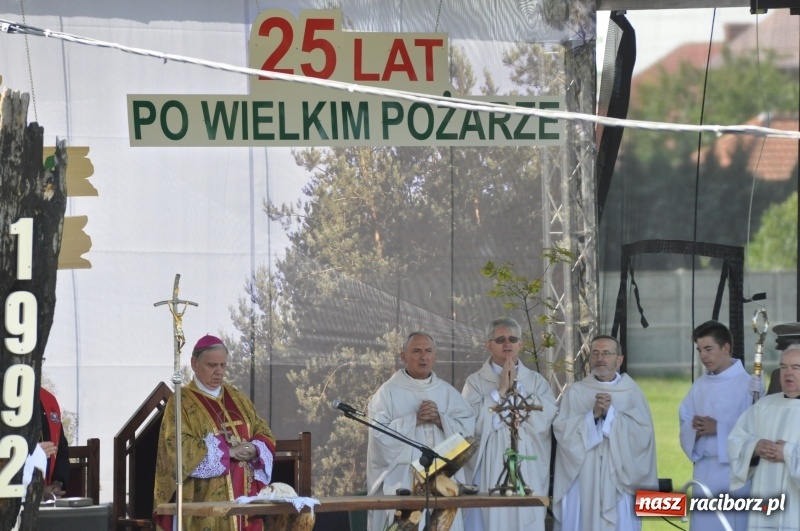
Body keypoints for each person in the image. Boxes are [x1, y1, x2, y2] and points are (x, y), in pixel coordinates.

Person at [153, 334, 277, 531]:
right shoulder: (181, 401)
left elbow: (263, 431)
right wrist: (228, 452)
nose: (219, 371)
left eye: (223, 365)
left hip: (246, 501)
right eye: (212, 365)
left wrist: (254, 448)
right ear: (194, 363)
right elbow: (177, 448)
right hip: (204, 506)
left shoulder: (237, 397)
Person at [366, 331, 475, 531]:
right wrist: (414, 420)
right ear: (403, 356)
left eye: (428, 351)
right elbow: (378, 437)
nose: (423, 356)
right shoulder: (387, 393)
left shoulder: (447, 392)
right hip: (404, 480)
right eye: (416, 351)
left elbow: (468, 431)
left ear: (435, 356)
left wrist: (440, 420)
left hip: (442, 480)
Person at [552, 335, 658, 531]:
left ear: (619, 359)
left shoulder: (632, 392)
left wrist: (611, 415)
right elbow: (563, 432)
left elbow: (643, 436)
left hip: (619, 476)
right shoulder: (576, 392)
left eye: (606, 353)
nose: (600, 358)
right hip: (584, 475)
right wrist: (592, 415)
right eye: (595, 353)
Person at [461, 317, 557, 531]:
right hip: (489, 465)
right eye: (500, 339)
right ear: (489, 345)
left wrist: (519, 393)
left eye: (513, 339)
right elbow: (467, 423)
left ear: (520, 344)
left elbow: (547, 417)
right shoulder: (475, 382)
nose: (507, 344)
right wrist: (500, 392)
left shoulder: (536, 382)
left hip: (526, 465)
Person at [679, 320, 761, 531]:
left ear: (726, 348)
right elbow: (685, 420)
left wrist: (719, 428)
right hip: (705, 471)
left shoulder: (749, 385)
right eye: (699, 350)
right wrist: (694, 431)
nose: (703, 356)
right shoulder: (699, 386)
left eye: (709, 349)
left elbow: (756, 430)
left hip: (735, 472)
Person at [728, 344, 800, 531]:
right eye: (783, 367)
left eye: (796, 367)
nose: (788, 373)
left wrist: (787, 453)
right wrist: (755, 447)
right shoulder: (764, 406)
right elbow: (737, 440)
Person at [39, 387, 70, 500]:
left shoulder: (48, 399)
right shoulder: (6, 396)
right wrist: (37, 489)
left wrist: (58, 482)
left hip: (49, 496)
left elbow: (61, 449)